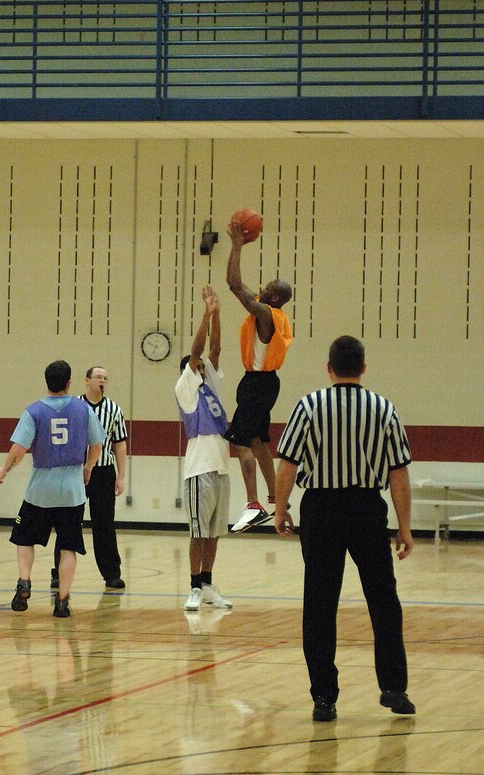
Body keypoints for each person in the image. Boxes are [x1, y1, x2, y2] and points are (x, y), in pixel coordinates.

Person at [273, 335, 416, 722]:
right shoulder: (384, 408)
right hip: (368, 509)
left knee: (320, 603)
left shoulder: (308, 406)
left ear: (329, 367)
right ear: (364, 368)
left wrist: (280, 509)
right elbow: (399, 475)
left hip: (320, 510)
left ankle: (324, 698)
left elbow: (287, 464)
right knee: (384, 600)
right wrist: (405, 528)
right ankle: (394, 688)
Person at [0, 360, 105, 618]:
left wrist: (3, 471)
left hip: (40, 488)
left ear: (47, 382)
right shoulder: (83, 410)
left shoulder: (34, 411)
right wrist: (88, 468)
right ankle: (63, 601)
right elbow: (97, 444)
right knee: (68, 547)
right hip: (72, 489)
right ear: (69, 382)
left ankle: (24, 581)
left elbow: (18, 450)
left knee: (24, 538)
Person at [222, 220, 294, 532]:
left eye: (266, 288)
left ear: (274, 298)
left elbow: (236, 286)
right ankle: (277, 497)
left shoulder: (265, 313)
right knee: (259, 441)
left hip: (256, 385)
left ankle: (253, 506)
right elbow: (239, 286)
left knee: (240, 442)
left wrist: (237, 245)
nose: (261, 289)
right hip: (266, 383)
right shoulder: (276, 314)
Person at [175, 285, 234, 612]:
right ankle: (194, 587)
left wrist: (219, 312)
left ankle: (209, 585)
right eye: (198, 366)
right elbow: (199, 348)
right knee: (197, 533)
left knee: (213, 532)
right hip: (198, 469)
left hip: (221, 467)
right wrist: (206, 314)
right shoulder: (185, 388)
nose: (203, 368)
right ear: (189, 369)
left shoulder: (211, 384)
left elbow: (216, 347)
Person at [50, 366, 128, 590]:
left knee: (104, 524)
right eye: (98, 377)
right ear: (87, 381)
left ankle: (111, 574)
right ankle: (58, 572)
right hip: (74, 471)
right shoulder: (72, 405)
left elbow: (120, 444)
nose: (102, 381)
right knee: (68, 521)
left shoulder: (114, 409)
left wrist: (121, 476)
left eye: (106, 378)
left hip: (103, 472)